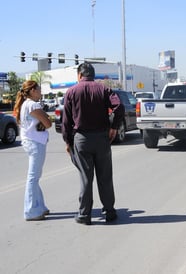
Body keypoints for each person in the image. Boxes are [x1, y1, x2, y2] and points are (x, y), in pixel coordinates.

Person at [62, 62, 125, 225]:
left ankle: (84, 214)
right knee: (105, 176)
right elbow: (119, 107)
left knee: (85, 178)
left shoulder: (71, 92)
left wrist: (68, 142)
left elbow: (66, 122)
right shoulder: (104, 89)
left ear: (79, 75)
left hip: (81, 139)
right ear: (93, 75)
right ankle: (109, 212)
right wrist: (114, 127)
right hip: (102, 138)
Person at [13, 80, 52, 221]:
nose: (41, 91)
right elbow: (48, 123)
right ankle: (31, 211)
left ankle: (40, 207)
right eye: (39, 89)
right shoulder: (33, 105)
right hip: (35, 143)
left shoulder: (25, 104)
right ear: (32, 91)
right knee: (33, 178)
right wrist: (47, 119)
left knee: (35, 177)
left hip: (30, 142)